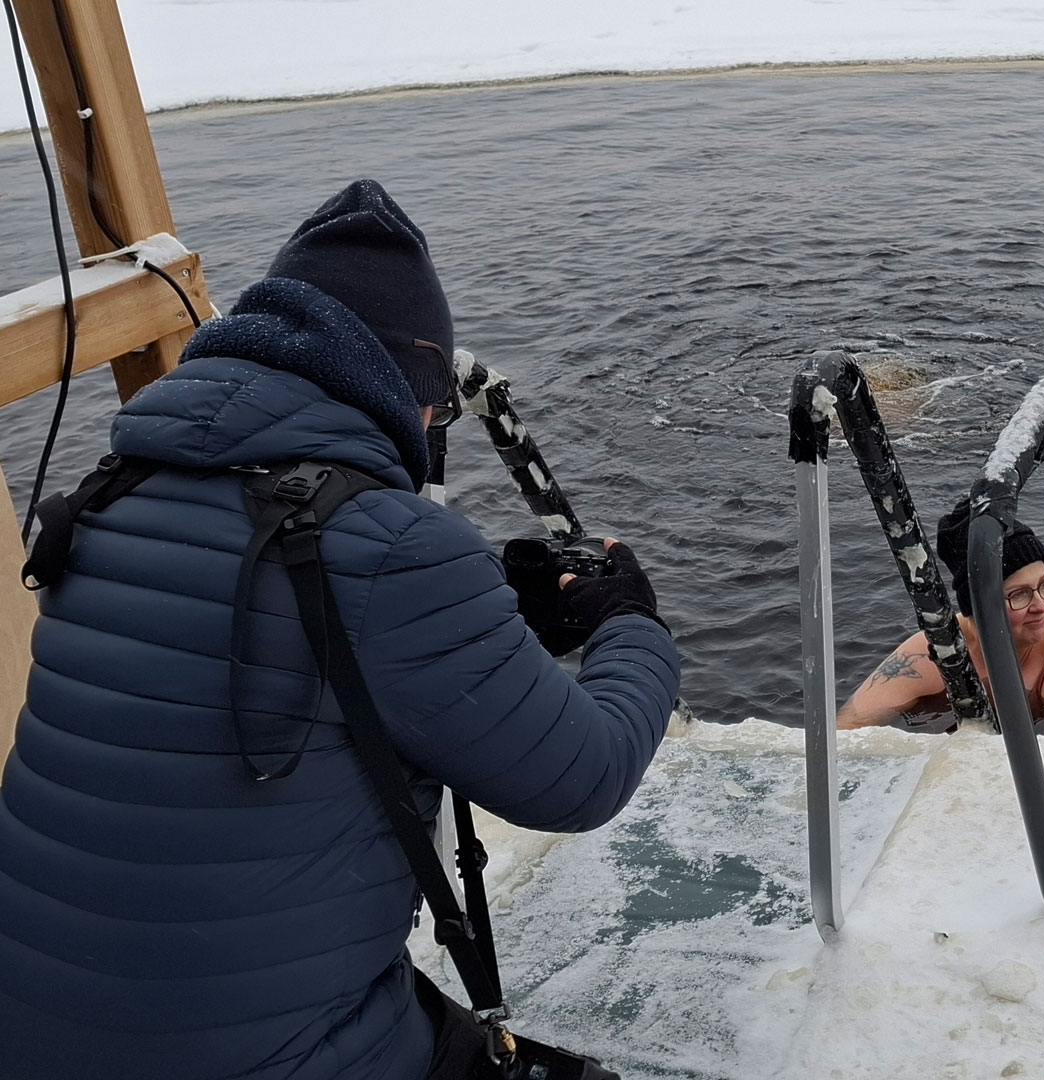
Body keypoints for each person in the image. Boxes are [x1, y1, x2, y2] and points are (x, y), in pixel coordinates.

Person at [0, 180, 679, 1079]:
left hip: (38, 1017)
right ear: (405, 385)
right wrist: (628, 618)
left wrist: (488, 613)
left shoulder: (108, 496)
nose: (433, 425)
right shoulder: (389, 548)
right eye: (438, 404)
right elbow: (582, 779)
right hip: (256, 1055)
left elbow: (252, 637)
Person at [837, 499, 1044, 741]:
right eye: (1019, 594)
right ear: (977, 606)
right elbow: (846, 735)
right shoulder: (931, 650)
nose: (1042, 605)